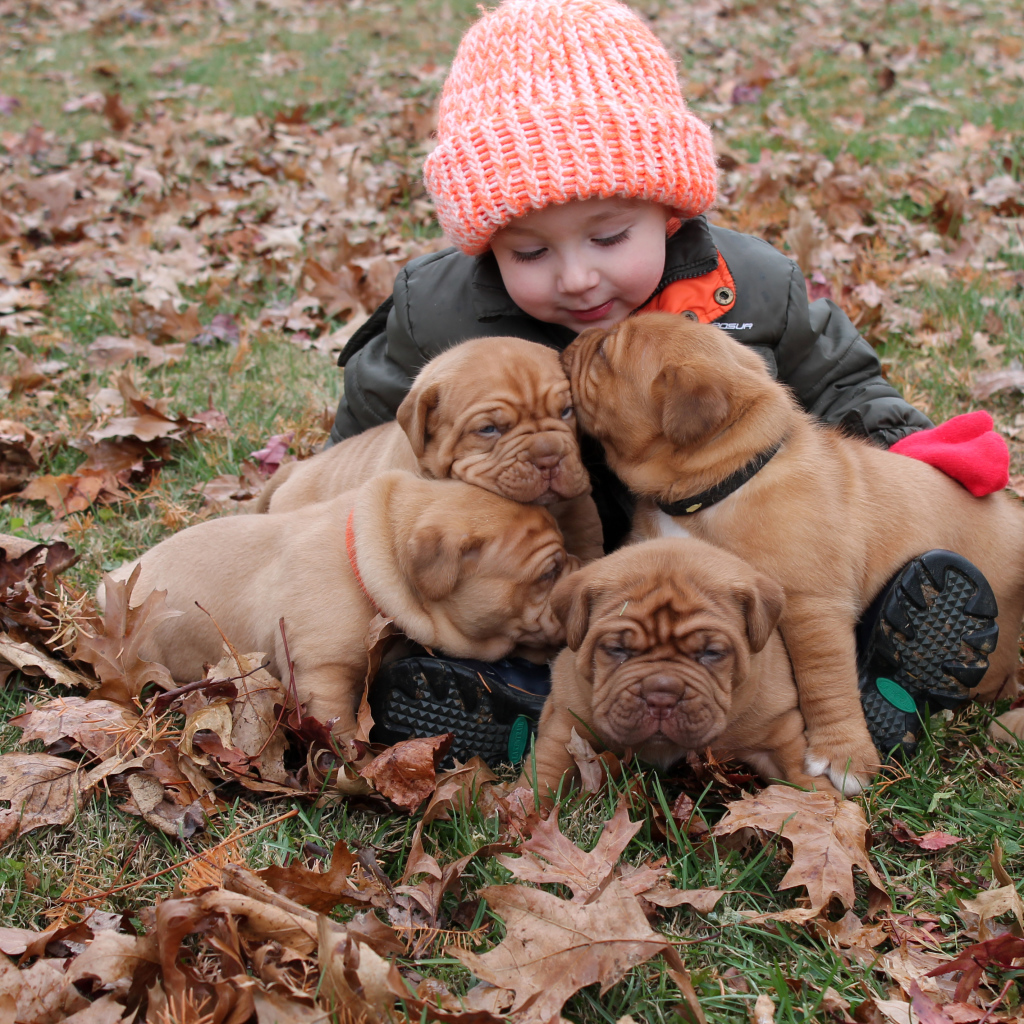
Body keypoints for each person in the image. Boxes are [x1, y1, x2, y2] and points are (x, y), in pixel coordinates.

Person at [329, 0, 1009, 771]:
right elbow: (361, 444)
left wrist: (907, 444)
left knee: (798, 602)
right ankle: (494, 693)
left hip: (709, 584)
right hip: (551, 568)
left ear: (669, 204)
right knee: (505, 613)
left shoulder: (751, 287)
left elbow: (844, 384)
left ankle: (879, 669)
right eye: (528, 253)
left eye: (610, 236)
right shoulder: (438, 311)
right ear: (486, 245)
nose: (577, 278)